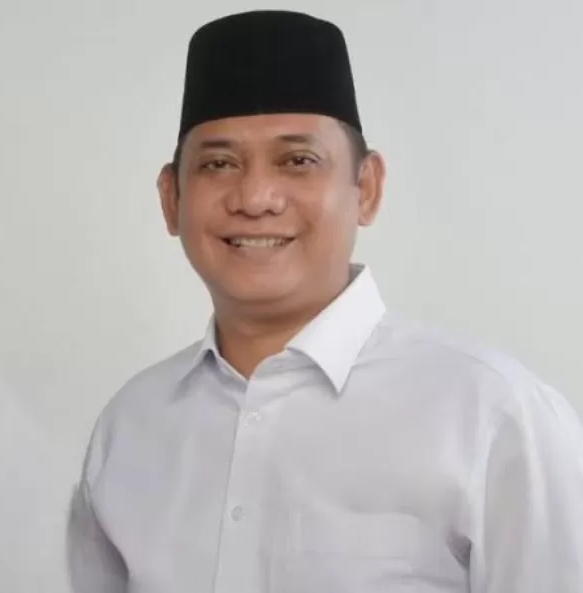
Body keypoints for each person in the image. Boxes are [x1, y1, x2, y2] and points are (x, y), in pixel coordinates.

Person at [67, 10, 583, 593]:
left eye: (298, 160)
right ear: (171, 198)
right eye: (218, 164)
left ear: (367, 188)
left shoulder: (493, 418)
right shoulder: (131, 427)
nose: (256, 198)